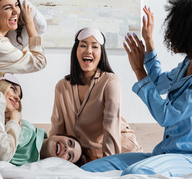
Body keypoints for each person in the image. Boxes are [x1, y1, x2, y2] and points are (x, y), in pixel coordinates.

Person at [82, 0, 192, 176]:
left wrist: (139, 71)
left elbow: (167, 115)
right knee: (90, 169)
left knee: (137, 172)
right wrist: (149, 43)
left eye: (175, 30)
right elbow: (159, 83)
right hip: (165, 152)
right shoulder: (187, 65)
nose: (169, 36)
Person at [50, 27, 142, 163]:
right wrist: (50, 159)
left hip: (120, 154)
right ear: (76, 50)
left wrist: (109, 165)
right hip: (84, 159)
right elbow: (57, 130)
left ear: (101, 53)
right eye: (83, 45)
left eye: (95, 47)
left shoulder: (110, 81)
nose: (88, 51)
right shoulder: (62, 86)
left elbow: (111, 126)